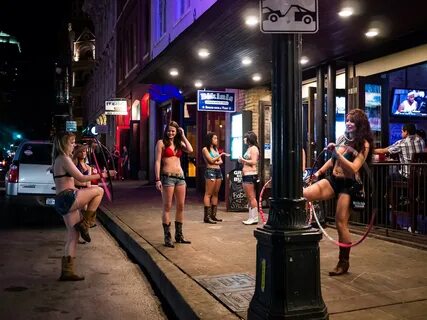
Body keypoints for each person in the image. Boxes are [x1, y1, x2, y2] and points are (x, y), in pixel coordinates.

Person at [303, 109, 373, 276]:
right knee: (305, 194)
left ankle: (343, 262)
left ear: (359, 124)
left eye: (352, 121)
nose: (348, 123)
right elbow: (332, 160)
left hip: (349, 185)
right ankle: (302, 228)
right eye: (347, 120)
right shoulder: (343, 138)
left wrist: (337, 154)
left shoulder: (364, 144)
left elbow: (354, 168)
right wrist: (318, 172)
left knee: (340, 222)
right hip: (333, 180)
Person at [52, 131, 116, 281]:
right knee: (99, 191)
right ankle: (87, 223)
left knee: (73, 235)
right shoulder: (64, 159)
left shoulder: (59, 160)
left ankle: (67, 271)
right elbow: (81, 177)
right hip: (68, 198)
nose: (74, 145)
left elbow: (75, 181)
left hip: (63, 200)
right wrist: (104, 175)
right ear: (63, 144)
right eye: (72, 142)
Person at [155, 121, 194, 248]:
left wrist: (183, 135)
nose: (170, 133)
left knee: (181, 206)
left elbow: (190, 149)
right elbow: (157, 162)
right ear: (166, 131)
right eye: (169, 130)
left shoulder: (179, 143)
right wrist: (157, 179)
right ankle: (167, 237)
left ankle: (179, 235)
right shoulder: (161, 143)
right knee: (167, 206)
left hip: (180, 178)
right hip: (167, 178)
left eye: (173, 131)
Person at [202, 132, 230, 224]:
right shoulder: (205, 149)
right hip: (210, 171)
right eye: (215, 138)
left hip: (218, 172)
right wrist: (220, 155)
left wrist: (216, 160)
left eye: (216, 138)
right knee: (208, 193)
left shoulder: (215, 149)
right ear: (210, 139)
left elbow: (220, 162)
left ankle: (213, 215)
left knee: (215, 193)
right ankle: (207, 216)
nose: (216, 140)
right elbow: (210, 161)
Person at [72, 144, 97, 228]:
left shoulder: (88, 167)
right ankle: (85, 225)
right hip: (76, 189)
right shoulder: (74, 163)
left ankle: (87, 224)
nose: (83, 153)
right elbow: (77, 180)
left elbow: (88, 182)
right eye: (81, 151)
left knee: (86, 208)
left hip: (84, 189)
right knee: (81, 210)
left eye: (84, 151)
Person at [239, 131, 260, 225]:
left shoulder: (254, 148)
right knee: (248, 197)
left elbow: (254, 161)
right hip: (245, 174)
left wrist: (243, 160)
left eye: (245, 137)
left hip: (250, 174)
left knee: (252, 197)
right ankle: (251, 217)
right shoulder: (249, 148)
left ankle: (254, 217)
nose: (244, 139)